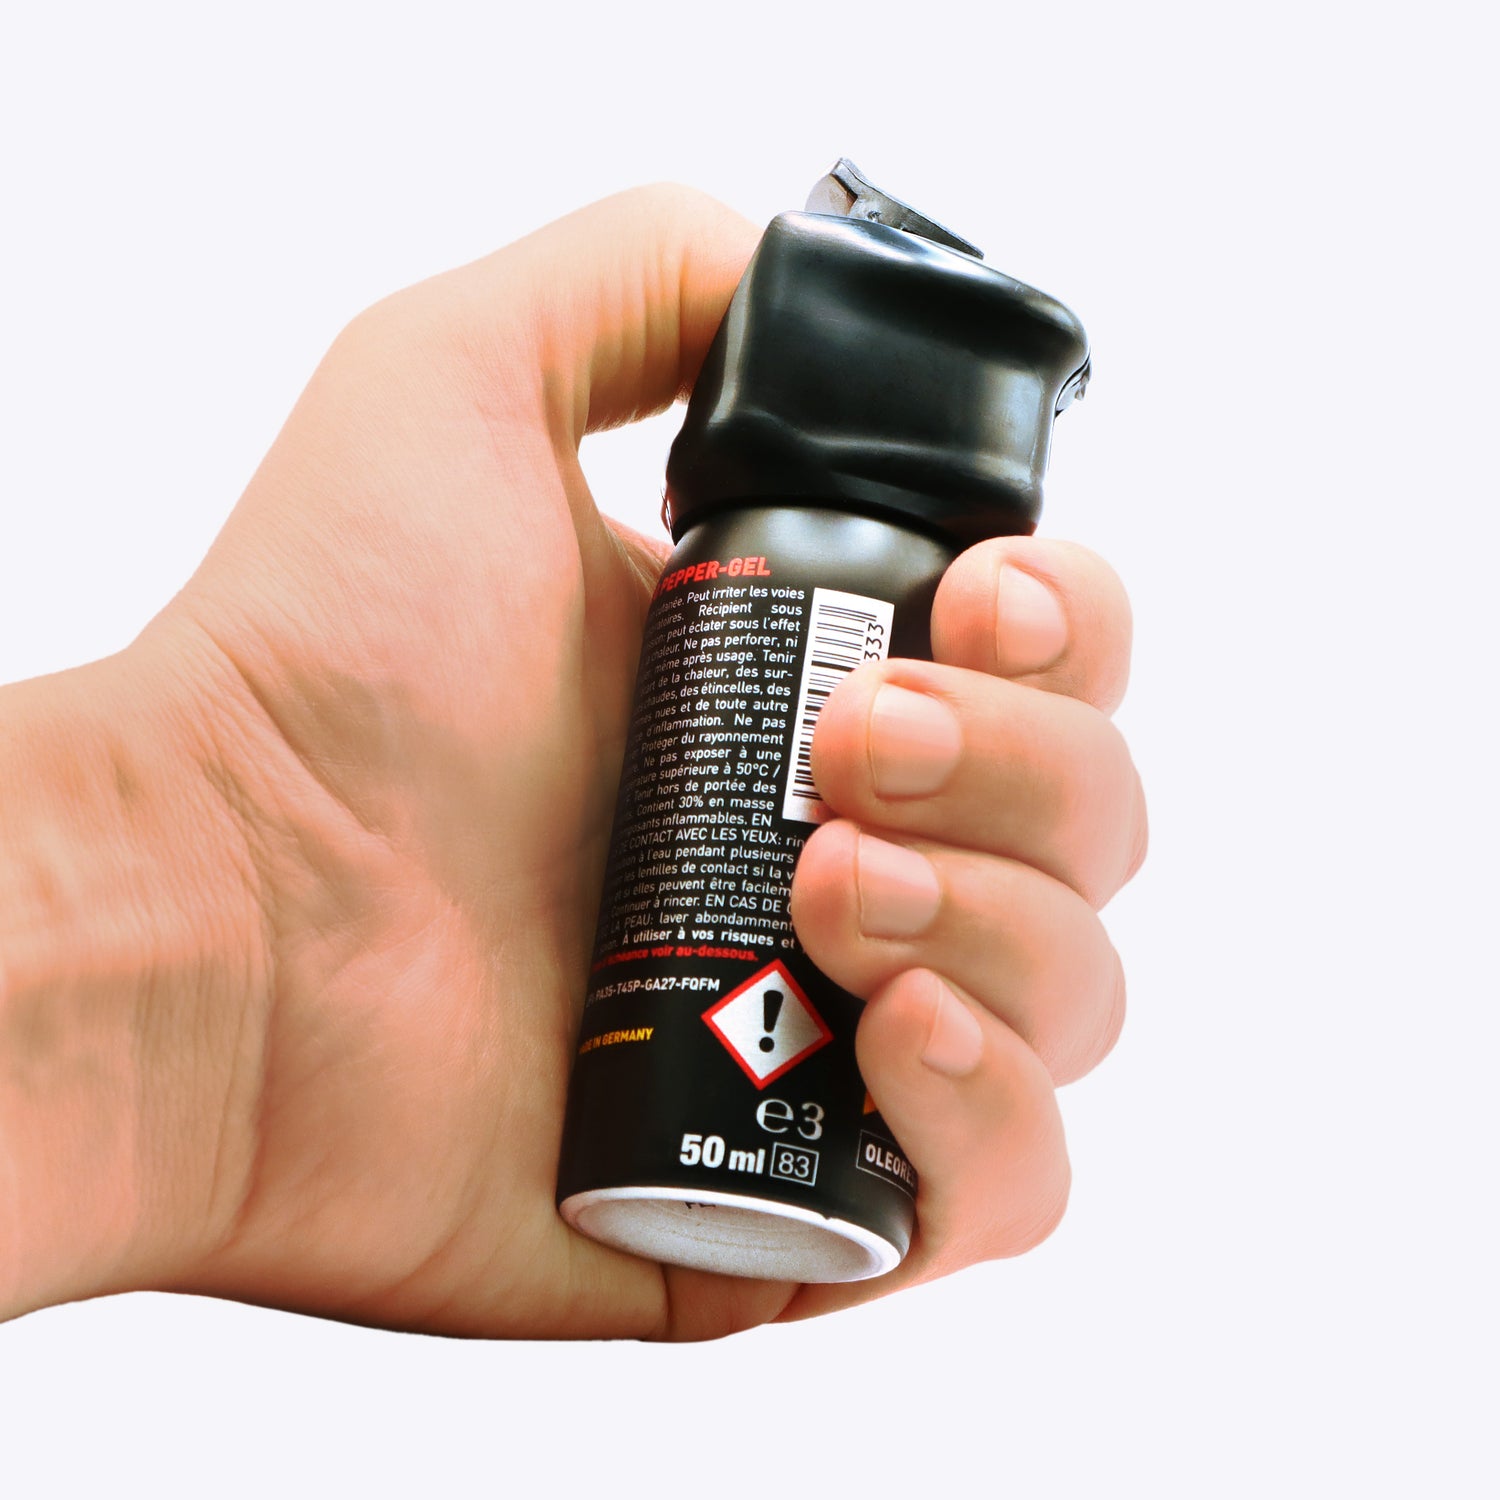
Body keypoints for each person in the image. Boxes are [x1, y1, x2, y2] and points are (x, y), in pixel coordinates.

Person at [0, 186, 1146, 1340]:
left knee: (913, 874)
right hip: (637, 1093)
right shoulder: (733, 553)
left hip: (701, 1117)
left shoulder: (802, 565)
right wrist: (234, 862)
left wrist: (219, 984)